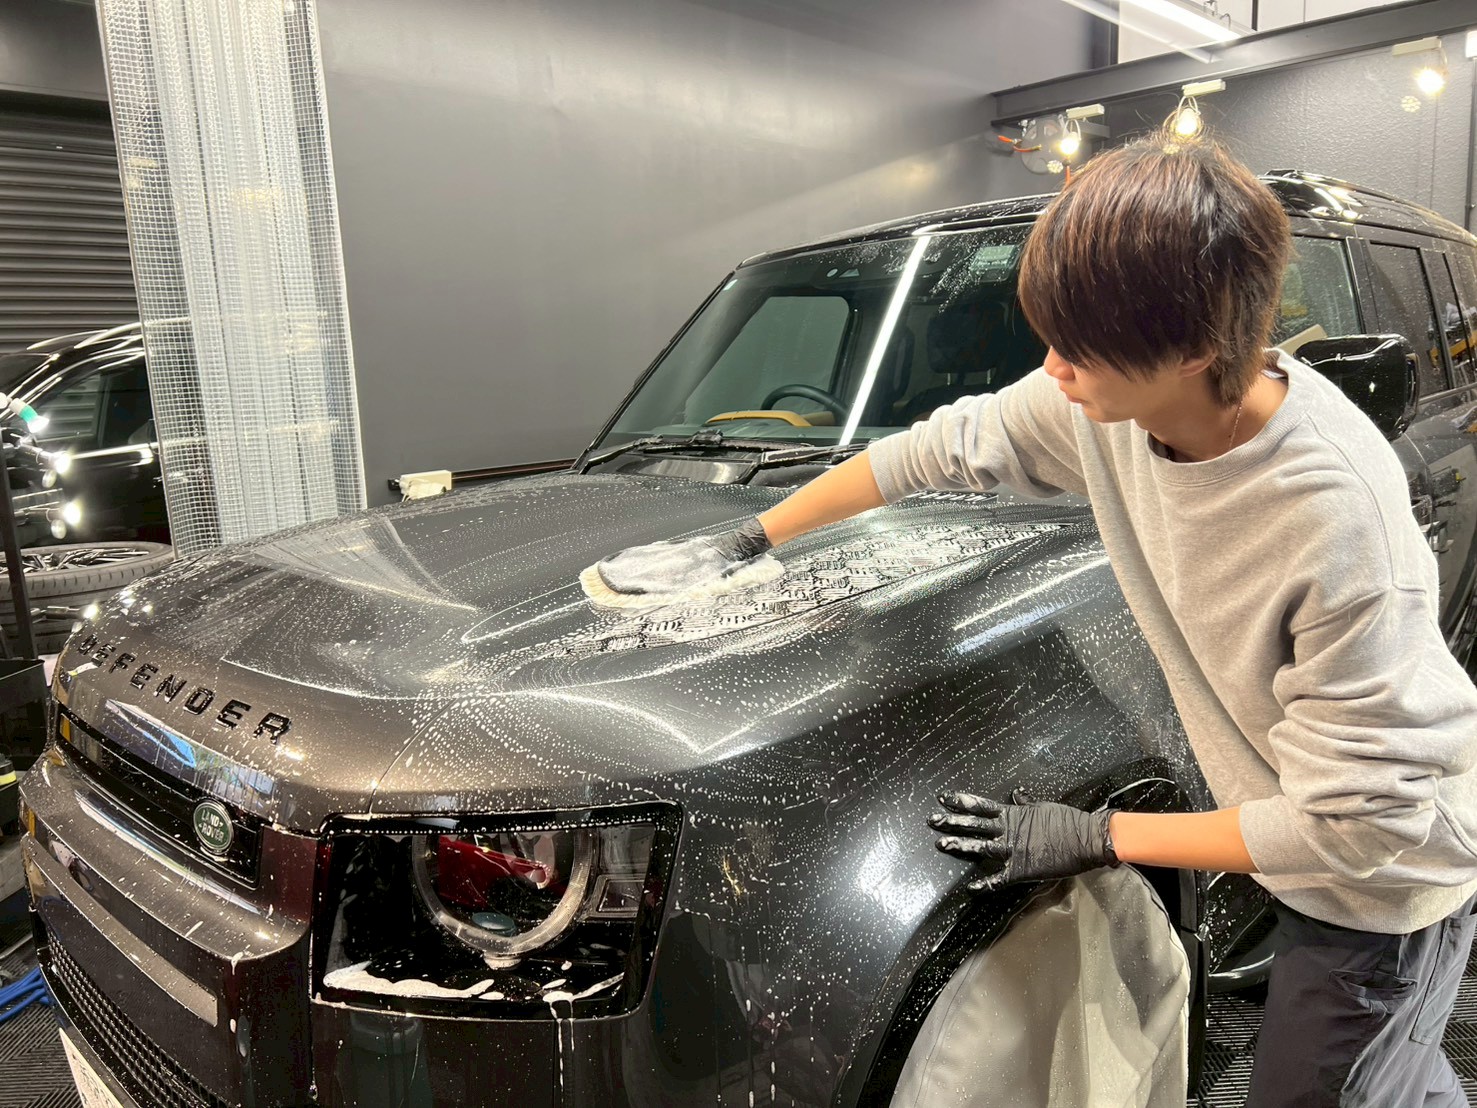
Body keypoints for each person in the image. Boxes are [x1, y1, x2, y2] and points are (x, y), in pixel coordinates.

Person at [583, 129, 1477, 1105]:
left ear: (1190, 351)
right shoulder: (1108, 405)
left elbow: (1357, 829)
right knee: (1395, 1074)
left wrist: (1098, 835)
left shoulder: (1327, 521)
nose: (1050, 368)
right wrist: (756, 534)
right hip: (1310, 836)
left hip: (1382, 891)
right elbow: (934, 449)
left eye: (1078, 349)